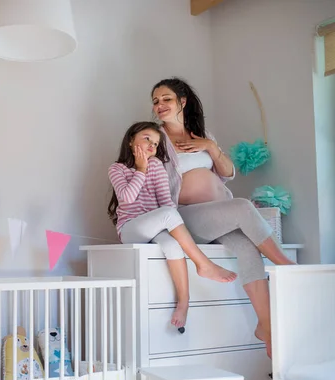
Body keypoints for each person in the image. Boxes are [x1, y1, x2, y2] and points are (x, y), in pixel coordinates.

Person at [150, 77, 296, 357]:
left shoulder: (202, 135)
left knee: (245, 247)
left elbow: (227, 174)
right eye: (156, 101)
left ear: (183, 101)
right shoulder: (156, 138)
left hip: (216, 214)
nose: (159, 105)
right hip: (185, 218)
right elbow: (154, 183)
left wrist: (210, 146)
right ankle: (285, 265)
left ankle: (264, 327)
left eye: (166, 99)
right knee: (242, 206)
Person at [107, 121, 237, 331]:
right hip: (131, 228)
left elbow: (166, 202)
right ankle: (203, 264)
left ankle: (183, 303)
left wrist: (173, 228)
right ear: (131, 141)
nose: (152, 146)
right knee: (168, 214)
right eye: (147, 139)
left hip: (157, 226)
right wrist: (140, 170)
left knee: (173, 245)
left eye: (156, 143)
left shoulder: (157, 166)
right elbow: (127, 198)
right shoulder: (118, 168)